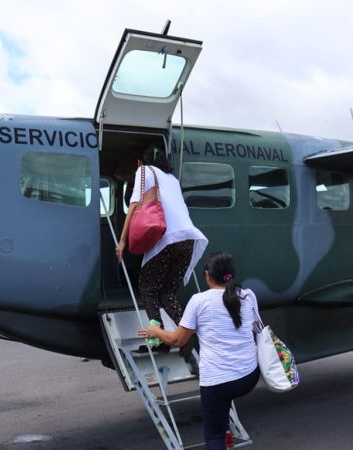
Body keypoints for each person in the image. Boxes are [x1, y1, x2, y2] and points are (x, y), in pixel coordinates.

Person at [138, 252, 259, 450]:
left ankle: (222, 432)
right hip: (249, 376)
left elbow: (178, 340)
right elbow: (252, 327)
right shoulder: (248, 295)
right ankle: (227, 430)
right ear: (232, 275)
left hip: (219, 381)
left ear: (207, 276)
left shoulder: (199, 301)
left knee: (213, 436)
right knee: (224, 392)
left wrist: (156, 331)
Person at [116, 144, 208, 351]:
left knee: (148, 289)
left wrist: (122, 241)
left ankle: (156, 340)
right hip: (187, 239)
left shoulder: (144, 171)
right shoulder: (173, 180)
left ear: (143, 161)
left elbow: (133, 204)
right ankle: (191, 336)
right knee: (167, 292)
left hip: (165, 238)